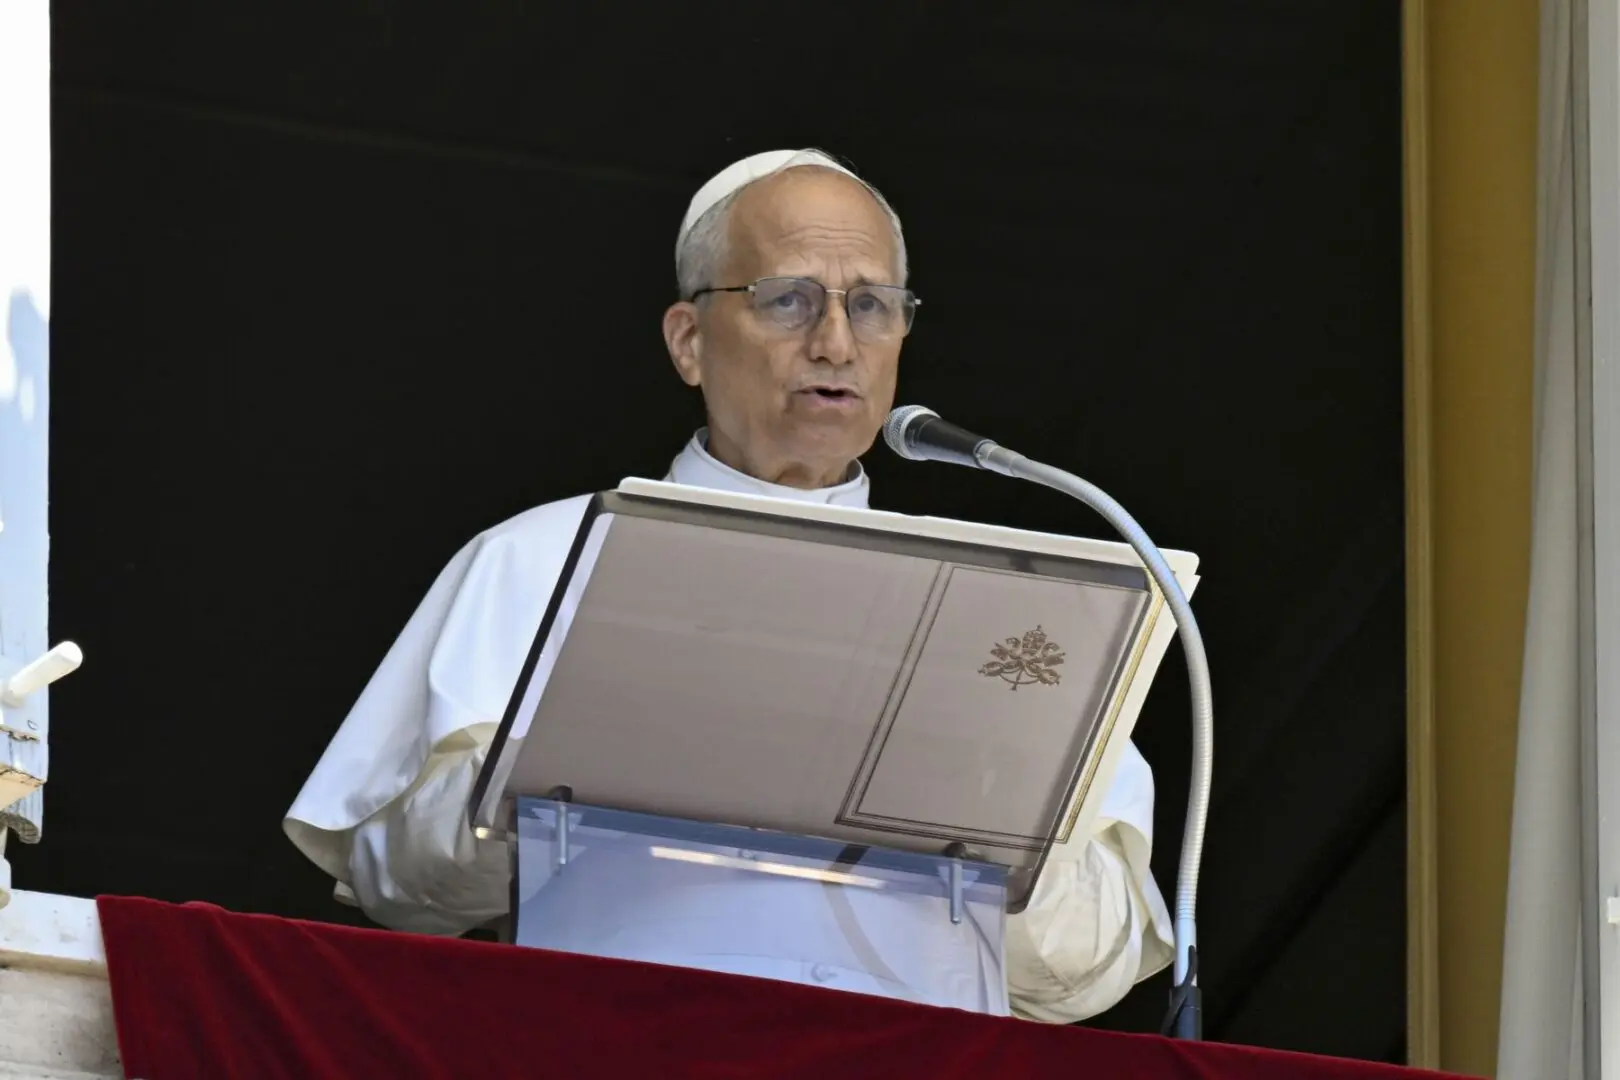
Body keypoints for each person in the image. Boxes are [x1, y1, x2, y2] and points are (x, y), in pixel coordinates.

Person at [284, 149, 1172, 1022]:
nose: (836, 343)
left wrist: (982, 821)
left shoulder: (1008, 603)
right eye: (788, 300)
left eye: (871, 306)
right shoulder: (538, 557)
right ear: (689, 341)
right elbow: (399, 880)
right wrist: (570, 768)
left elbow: (1088, 968)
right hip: (619, 1040)